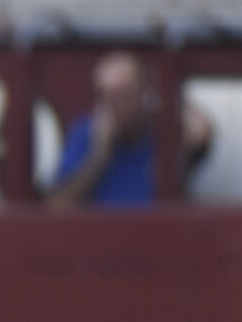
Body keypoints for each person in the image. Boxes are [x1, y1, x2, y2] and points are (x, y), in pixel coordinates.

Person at [47, 50, 215, 209]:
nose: (114, 105)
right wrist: (99, 157)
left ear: (141, 91)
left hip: (157, 233)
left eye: (123, 95)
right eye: (104, 95)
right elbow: (58, 205)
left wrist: (162, 93)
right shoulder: (86, 133)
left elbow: (201, 131)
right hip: (102, 234)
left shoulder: (161, 129)